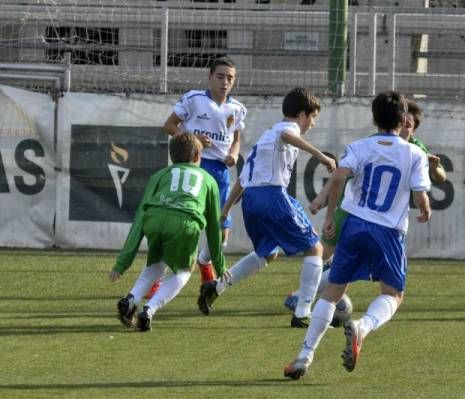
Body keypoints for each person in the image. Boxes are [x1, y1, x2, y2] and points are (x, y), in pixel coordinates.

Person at [284, 91, 432, 379]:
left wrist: (329, 218)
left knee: (332, 292)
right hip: (388, 232)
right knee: (393, 294)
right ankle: (362, 327)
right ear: (403, 120)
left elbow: (339, 176)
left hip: (353, 225)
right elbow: (420, 195)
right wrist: (425, 209)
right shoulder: (414, 153)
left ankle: (304, 356)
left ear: (374, 119)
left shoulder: (360, 146)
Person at [283, 99, 445, 312]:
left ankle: (308, 298)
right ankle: (302, 295)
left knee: (346, 262)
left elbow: (440, 177)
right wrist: (323, 196)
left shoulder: (417, 150)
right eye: (402, 120)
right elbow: (340, 175)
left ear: (413, 129)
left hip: (380, 221)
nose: (404, 125)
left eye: (409, 124)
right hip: (349, 210)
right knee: (324, 253)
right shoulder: (373, 142)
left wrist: (435, 168)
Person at [197, 87, 337, 328]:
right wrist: (321, 156)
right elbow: (289, 135)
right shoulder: (287, 129)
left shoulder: (266, 136)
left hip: (251, 200)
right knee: (315, 249)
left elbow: (243, 178)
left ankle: (216, 286)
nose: (312, 124)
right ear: (302, 114)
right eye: (312, 118)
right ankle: (303, 311)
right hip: (272, 196)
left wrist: (226, 209)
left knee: (268, 253)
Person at [108, 133, 227, 332]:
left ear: (172, 156)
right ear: (198, 155)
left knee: (157, 262)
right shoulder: (209, 180)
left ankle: (131, 300)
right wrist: (220, 267)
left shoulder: (159, 175)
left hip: (154, 220)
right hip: (184, 222)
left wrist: (123, 262)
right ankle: (149, 310)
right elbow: (214, 229)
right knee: (184, 270)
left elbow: (140, 216)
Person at [163, 56, 246, 291]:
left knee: (222, 233)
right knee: (183, 227)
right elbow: (168, 126)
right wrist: (193, 140)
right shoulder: (194, 99)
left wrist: (234, 154)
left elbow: (237, 140)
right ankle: (157, 276)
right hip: (194, 166)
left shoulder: (237, 109)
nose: (225, 82)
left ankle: (204, 261)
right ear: (210, 77)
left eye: (230, 78)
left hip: (219, 172)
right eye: (220, 76)